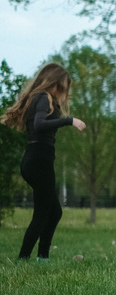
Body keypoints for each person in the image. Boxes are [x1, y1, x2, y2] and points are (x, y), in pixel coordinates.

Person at [1, 63, 86, 261]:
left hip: (37, 159)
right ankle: (24, 258)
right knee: (42, 213)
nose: (64, 92)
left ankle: (42, 257)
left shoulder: (41, 98)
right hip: (39, 160)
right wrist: (69, 120)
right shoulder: (43, 97)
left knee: (54, 212)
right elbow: (39, 125)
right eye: (63, 86)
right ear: (54, 83)